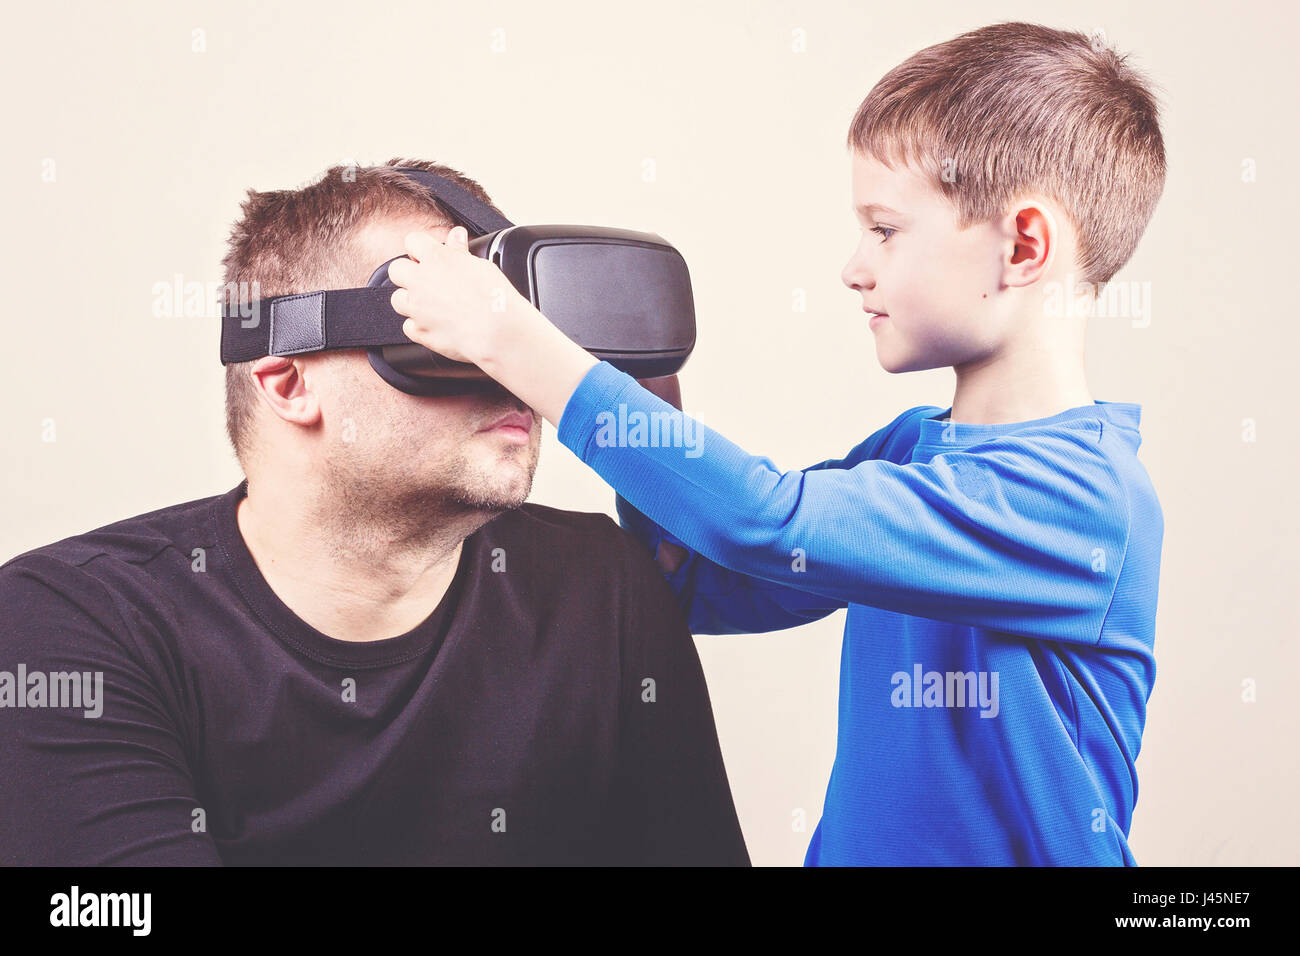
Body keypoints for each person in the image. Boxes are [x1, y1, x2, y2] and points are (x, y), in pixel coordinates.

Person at [384, 22, 1167, 865]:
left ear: (1023, 247)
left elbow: (769, 522)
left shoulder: (1082, 501)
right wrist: (648, 395)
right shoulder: (916, 450)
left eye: (885, 230)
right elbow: (716, 586)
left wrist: (511, 340)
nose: (853, 266)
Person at [0, 159, 749, 866]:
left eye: (516, 336)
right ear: (287, 380)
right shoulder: (72, 621)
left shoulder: (600, 587)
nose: (514, 377)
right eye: (442, 337)